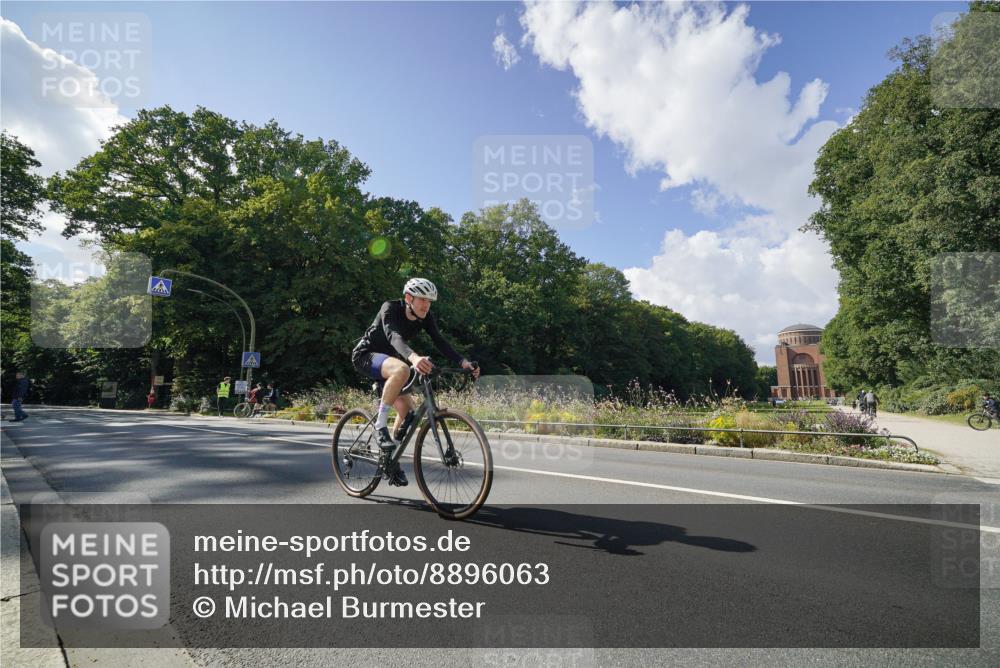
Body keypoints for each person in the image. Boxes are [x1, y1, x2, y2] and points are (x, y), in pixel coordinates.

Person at [351, 278, 479, 487]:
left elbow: (439, 340)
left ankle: (390, 461)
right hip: (366, 356)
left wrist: (463, 362)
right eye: (422, 300)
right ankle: (380, 425)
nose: (426, 305)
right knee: (402, 368)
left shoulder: (425, 317)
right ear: (409, 298)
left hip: (389, 363)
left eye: (430, 301)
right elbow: (394, 337)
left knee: (409, 414)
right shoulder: (390, 308)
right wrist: (414, 358)